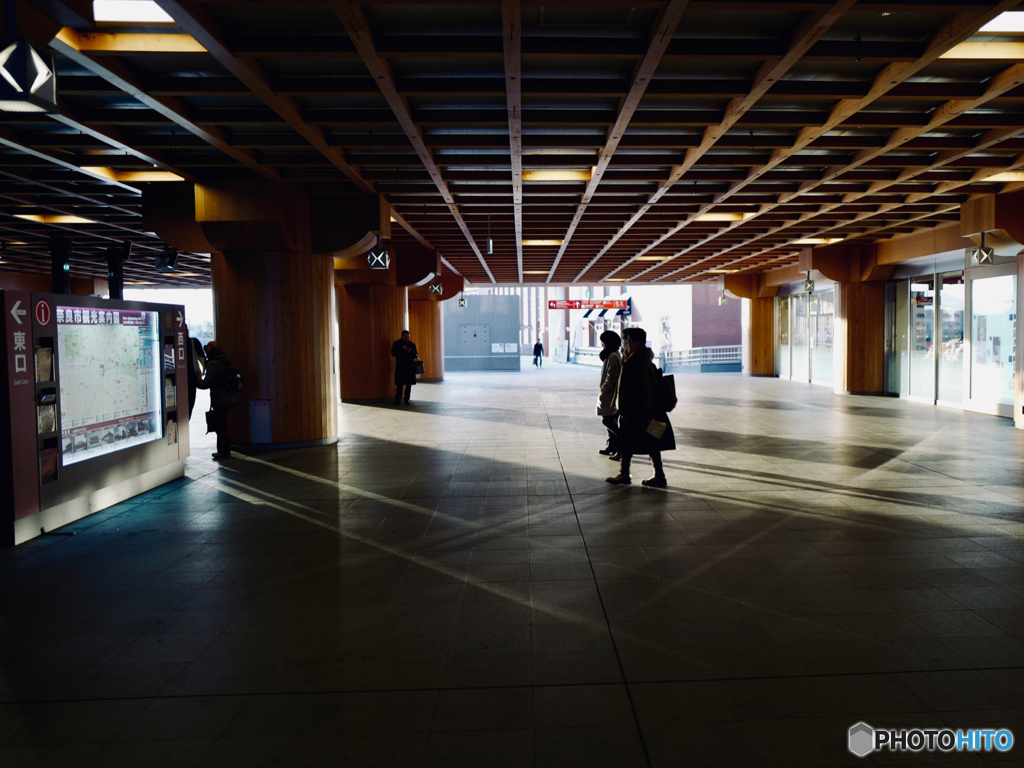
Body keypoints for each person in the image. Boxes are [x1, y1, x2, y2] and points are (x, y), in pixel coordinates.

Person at [607, 326, 675, 487]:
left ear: (637, 343)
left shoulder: (637, 363)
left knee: (632, 442)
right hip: (638, 411)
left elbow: (644, 390)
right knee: (646, 443)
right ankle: (655, 475)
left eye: (628, 341)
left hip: (637, 412)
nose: (626, 344)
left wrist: (640, 413)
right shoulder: (640, 359)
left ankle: (629, 474)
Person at [196, 340, 239, 460]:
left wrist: (195, 381)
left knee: (220, 425)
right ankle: (228, 444)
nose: (206, 348)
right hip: (229, 397)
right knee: (222, 423)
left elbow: (207, 383)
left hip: (221, 398)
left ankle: (223, 451)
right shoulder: (224, 360)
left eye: (208, 347)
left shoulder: (213, 363)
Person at [596, 330, 621, 457]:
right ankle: (611, 445)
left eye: (603, 342)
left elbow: (611, 378)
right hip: (608, 394)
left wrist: (603, 390)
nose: (602, 344)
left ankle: (620, 444)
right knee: (608, 420)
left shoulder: (613, 356)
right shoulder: (611, 355)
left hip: (610, 395)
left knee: (608, 421)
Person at [391, 330, 419, 405]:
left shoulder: (412, 345)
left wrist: (410, 351)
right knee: (399, 384)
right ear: (402, 336)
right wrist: (402, 349)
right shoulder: (397, 344)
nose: (407, 339)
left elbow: (416, 355)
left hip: (410, 367)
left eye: (408, 337)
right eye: (405, 337)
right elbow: (393, 353)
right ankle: (398, 399)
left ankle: (407, 399)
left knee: (408, 384)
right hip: (400, 366)